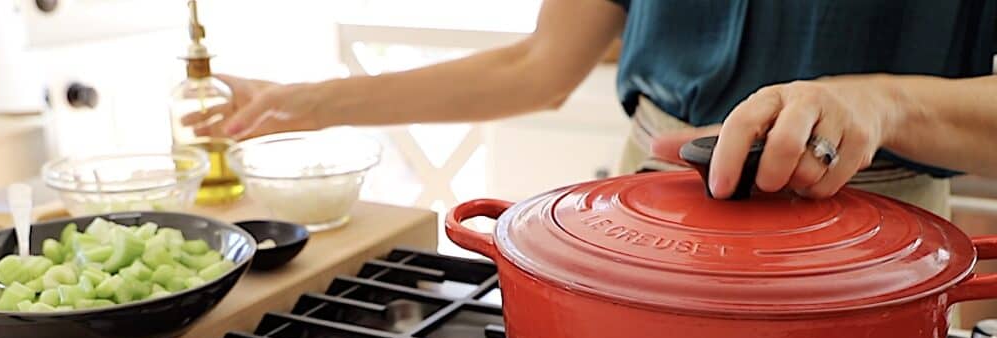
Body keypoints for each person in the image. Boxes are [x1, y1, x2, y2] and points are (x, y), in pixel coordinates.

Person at [187, 0, 997, 215]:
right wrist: (305, 101)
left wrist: (881, 101)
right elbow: (538, 65)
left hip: (869, 217)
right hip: (649, 185)